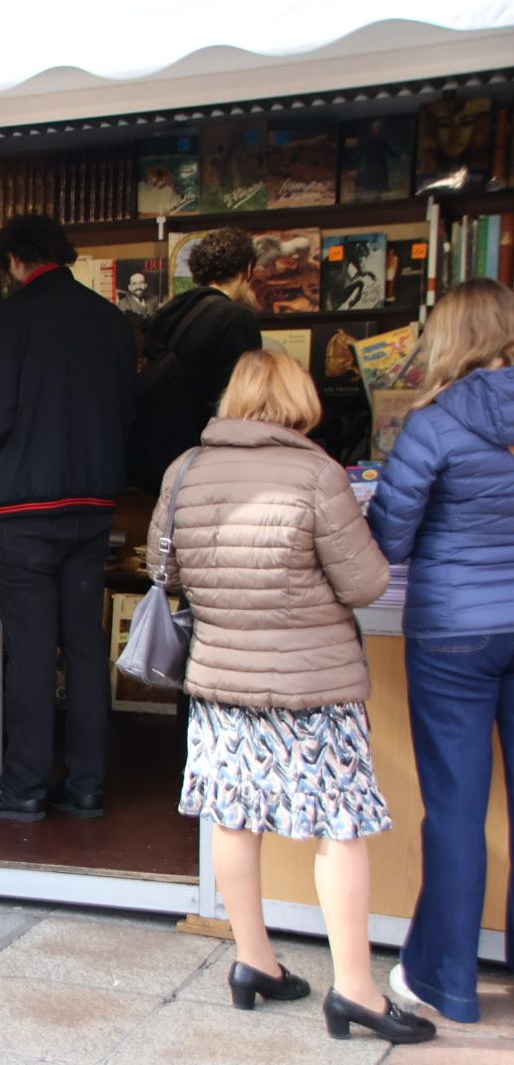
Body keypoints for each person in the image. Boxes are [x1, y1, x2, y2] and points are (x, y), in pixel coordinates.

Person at [154, 349, 433, 1045]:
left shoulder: (185, 469)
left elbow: (162, 567)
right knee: (338, 825)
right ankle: (357, 991)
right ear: (300, 400)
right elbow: (367, 584)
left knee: (233, 814)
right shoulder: (316, 472)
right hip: (314, 685)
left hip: (221, 678)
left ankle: (254, 962)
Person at [368, 277, 514, 1025]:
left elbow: (389, 539)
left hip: (454, 630)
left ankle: (447, 982)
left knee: (454, 808)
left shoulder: (433, 423)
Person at [0, 214, 136, 822]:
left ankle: (25, 783)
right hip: (92, 508)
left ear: (12, 260)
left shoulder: (6, 321)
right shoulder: (112, 321)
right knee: (84, 646)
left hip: (24, 511)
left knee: (31, 650)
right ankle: (87, 783)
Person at [130, 226, 262, 494]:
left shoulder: (171, 313)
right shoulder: (235, 318)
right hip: (213, 464)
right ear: (247, 270)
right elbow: (244, 402)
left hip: (168, 457)